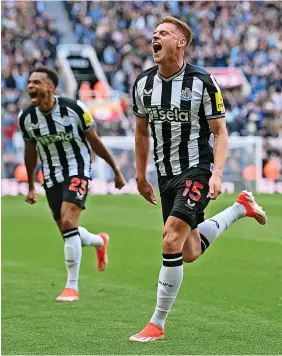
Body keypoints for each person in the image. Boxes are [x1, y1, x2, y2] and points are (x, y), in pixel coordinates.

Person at [130, 16, 267, 342]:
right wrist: (139, 175)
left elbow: (220, 133)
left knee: (170, 239)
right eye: (154, 33)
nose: (155, 36)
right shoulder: (143, 84)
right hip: (165, 176)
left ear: (181, 43)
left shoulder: (203, 82)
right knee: (188, 250)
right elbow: (140, 132)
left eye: (163, 33)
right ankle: (240, 208)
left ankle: (157, 323)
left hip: (197, 169)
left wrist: (217, 174)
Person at [18, 66, 126, 302]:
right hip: (51, 176)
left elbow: (94, 141)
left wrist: (116, 170)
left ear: (50, 87)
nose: (30, 86)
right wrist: (30, 186)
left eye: (36, 82)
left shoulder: (74, 109)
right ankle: (100, 241)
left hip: (78, 170)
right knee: (68, 231)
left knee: (68, 222)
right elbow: (29, 153)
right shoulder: (26, 118)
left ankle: (72, 287)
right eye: (29, 82)